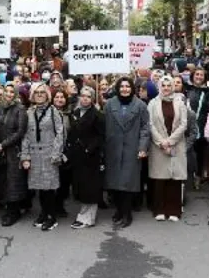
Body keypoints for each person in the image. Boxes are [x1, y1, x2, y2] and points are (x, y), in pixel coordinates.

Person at [104, 77, 150, 229]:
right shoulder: (109, 104)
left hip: (132, 149)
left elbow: (145, 128)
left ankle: (127, 213)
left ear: (132, 88)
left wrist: (143, 147)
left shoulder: (141, 105)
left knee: (127, 183)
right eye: (122, 86)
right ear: (117, 88)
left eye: (127, 86)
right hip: (113, 149)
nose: (124, 89)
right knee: (114, 183)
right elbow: (103, 126)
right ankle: (118, 210)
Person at [21, 82, 64, 231]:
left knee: (49, 188)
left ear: (47, 94)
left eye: (42, 92)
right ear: (32, 95)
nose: (39, 95)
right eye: (37, 92)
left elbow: (60, 134)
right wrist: (25, 156)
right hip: (34, 154)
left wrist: (56, 154)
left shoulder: (54, 112)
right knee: (39, 187)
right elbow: (25, 135)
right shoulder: (29, 112)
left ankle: (51, 216)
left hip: (49, 154)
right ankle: (43, 213)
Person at [147, 77, 189, 222]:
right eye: (163, 85)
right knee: (160, 179)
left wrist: (170, 141)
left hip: (176, 144)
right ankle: (159, 210)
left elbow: (184, 124)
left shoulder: (180, 102)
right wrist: (161, 142)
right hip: (158, 146)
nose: (166, 88)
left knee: (174, 179)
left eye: (168, 85)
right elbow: (150, 124)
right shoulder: (152, 103)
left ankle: (174, 211)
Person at [68, 87, 105, 229]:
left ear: (92, 99)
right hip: (77, 158)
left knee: (90, 188)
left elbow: (101, 136)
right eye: (83, 96)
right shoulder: (75, 113)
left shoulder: (97, 115)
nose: (85, 98)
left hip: (91, 158)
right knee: (81, 187)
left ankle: (88, 218)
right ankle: (82, 215)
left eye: (88, 96)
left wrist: (89, 149)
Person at [0, 84, 29, 226]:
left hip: (14, 150)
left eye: (11, 92)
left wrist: (4, 144)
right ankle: (9, 207)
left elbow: (20, 132)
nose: (8, 94)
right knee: (3, 180)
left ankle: (13, 212)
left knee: (13, 181)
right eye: (6, 91)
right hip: (0, 150)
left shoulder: (20, 109)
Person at [187, 69, 209, 185]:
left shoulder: (208, 92)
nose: (199, 77)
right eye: (197, 74)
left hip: (201, 124)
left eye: (201, 75)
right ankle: (187, 176)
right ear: (192, 76)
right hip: (187, 125)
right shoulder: (187, 89)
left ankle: (198, 175)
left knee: (199, 152)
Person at [52, 89, 72, 217]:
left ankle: (60, 205)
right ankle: (51, 206)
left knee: (64, 181)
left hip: (65, 152)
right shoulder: (48, 113)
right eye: (57, 97)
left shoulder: (69, 115)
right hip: (51, 151)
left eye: (62, 97)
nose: (60, 99)